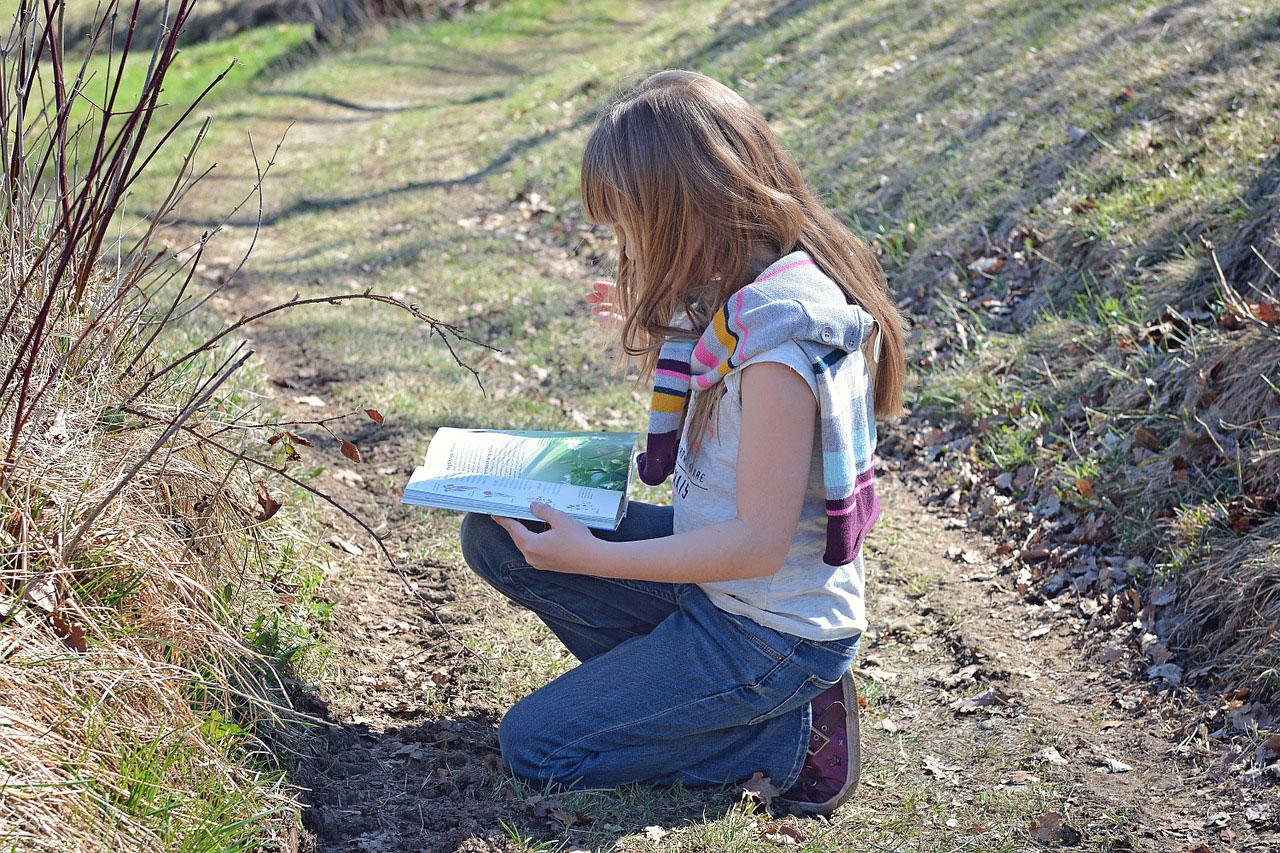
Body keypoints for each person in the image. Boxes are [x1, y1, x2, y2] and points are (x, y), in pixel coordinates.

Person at [459, 69, 905, 816]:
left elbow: (758, 545)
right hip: (721, 589)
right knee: (498, 535)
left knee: (535, 746)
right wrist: (656, 312)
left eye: (627, 224)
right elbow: (710, 374)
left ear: (680, 214)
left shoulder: (780, 347)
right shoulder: (744, 302)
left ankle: (781, 738)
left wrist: (594, 557)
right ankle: (682, 695)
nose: (623, 244)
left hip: (769, 633)